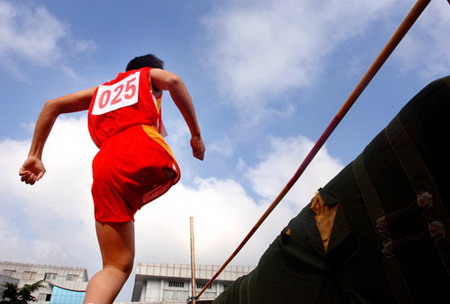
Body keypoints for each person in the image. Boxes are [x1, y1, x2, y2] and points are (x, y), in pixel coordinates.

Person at [18, 54, 205, 304]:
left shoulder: (100, 91)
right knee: (158, 167)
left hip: (105, 162)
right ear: (149, 69)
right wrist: (195, 135)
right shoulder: (147, 76)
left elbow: (51, 105)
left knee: (115, 266)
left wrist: (35, 155)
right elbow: (173, 80)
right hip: (140, 144)